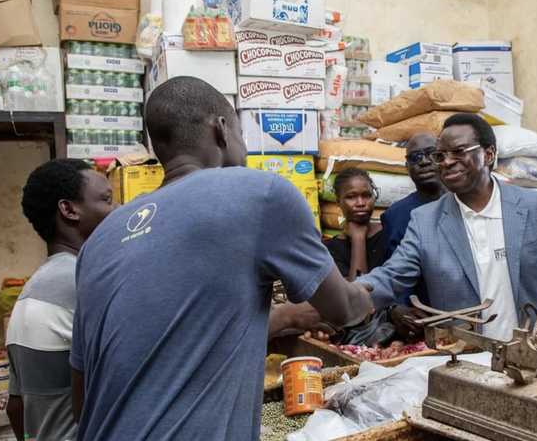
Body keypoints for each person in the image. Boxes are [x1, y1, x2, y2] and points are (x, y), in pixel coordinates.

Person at [69, 77, 374, 440]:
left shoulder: (99, 240)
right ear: (222, 129)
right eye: (242, 133)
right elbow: (341, 309)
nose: (244, 147)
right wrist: (372, 292)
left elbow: (82, 395)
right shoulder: (259, 193)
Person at [358, 113, 537, 341]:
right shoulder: (425, 220)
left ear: (488, 154)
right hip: (466, 360)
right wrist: (344, 296)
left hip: (535, 354)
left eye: (459, 152)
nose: (447, 161)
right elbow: (390, 276)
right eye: (440, 155)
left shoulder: (535, 208)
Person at [7, 159, 119, 441]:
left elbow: (15, 407)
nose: (118, 210)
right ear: (69, 210)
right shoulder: (80, 281)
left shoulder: (34, 288)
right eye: (107, 200)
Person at [380, 133, 447, 338]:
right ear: (407, 167)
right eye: (415, 157)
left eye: (430, 154)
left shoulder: (465, 204)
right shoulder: (397, 215)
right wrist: (397, 308)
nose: (424, 162)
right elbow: (396, 271)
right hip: (424, 322)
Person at [323, 168, 386, 281]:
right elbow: (355, 293)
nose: (361, 203)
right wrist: (358, 238)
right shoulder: (331, 248)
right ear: (339, 202)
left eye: (367, 196)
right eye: (351, 197)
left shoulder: (388, 233)